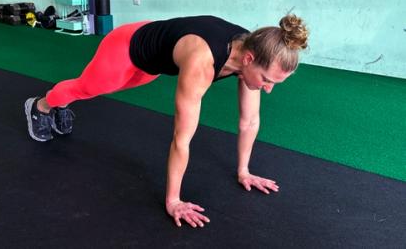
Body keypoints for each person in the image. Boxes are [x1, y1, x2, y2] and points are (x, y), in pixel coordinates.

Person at [24, 14, 309, 228]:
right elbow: (180, 138)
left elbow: (249, 121)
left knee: (110, 85)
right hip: (126, 47)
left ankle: (60, 103)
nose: (268, 88)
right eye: (267, 81)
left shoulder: (254, 51)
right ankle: (42, 106)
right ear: (248, 59)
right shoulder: (202, 61)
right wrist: (173, 201)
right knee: (89, 88)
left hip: (154, 63)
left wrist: (244, 171)